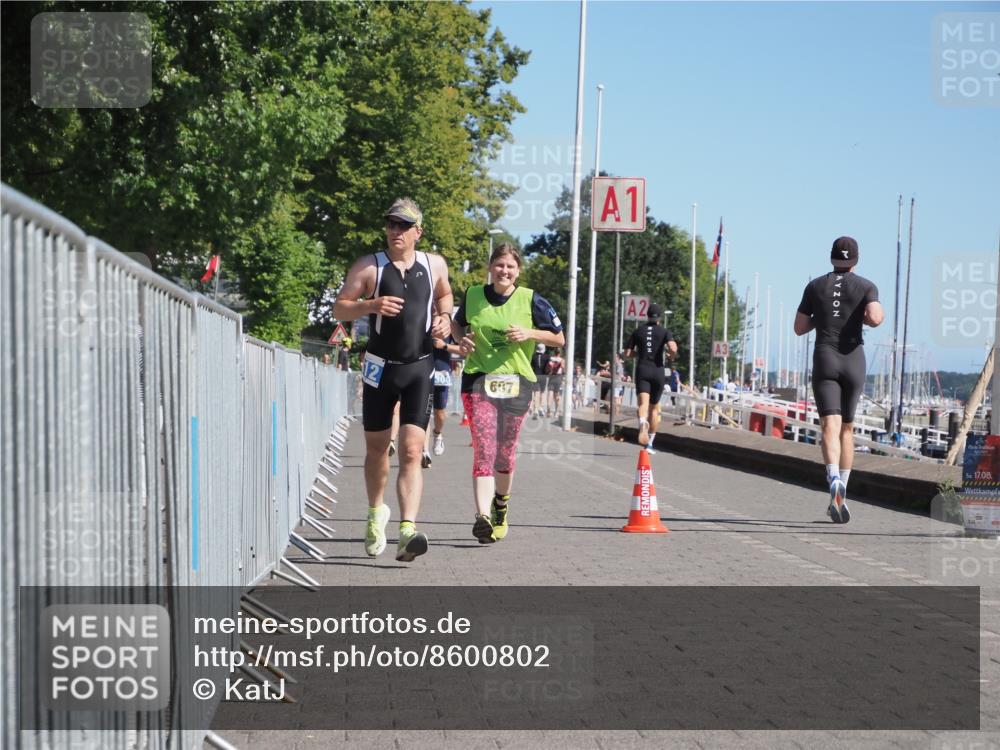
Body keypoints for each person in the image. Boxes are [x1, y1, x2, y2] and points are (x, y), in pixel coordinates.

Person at [332, 197, 453, 562]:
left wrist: (445, 318)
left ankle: (407, 530)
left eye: (403, 226)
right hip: (379, 368)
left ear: (418, 231)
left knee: (412, 451)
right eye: (391, 225)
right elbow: (339, 308)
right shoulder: (370, 266)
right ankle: (374, 514)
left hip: (419, 366)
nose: (395, 231)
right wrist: (370, 305)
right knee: (376, 449)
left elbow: (445, 295)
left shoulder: (434, 265)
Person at [452, 244, 564, 543]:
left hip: (517, 383)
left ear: (518, 271)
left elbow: (559, 338)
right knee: (484, 449)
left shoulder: (531, 300)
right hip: (478, 380)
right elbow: (456, 323)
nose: (504, 271)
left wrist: (530, 333)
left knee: (505, 452)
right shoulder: (474, 295)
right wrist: (461, 341)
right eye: (499, 265)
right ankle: (482, 518)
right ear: (491, 267)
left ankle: (500, 507)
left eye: (510, 266)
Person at [794, 236, 883, 524]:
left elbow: (799, 327)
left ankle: (831, 477)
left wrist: (822, 314)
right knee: (847, 429)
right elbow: (875, 317)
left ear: (831, 257)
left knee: (828, 425)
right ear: (855, 259)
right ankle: (842, 485)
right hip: (853, 358)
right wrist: (863, 316)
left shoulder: (815, 285)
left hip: (824, 357)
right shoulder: (866, 286)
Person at [624, 304, 678, 452]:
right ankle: (650, 444)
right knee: (654, 408)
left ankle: (642, 422)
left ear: (647, 316)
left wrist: (639, 354)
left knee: (643, 404)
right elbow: (673, 348)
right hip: (658, 371)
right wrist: (671, 356)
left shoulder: (638, 331)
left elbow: (627, 354)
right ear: (659, 318)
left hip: (643, 369)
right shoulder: (665, 331)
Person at [422, 335, 461, 468]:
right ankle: (424, 452)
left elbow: (463, 349)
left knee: (439, 413)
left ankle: (438, 434)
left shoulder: (449, 327)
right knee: (423, 413)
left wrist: (444, 346)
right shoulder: (421, 321)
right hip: (421, 373)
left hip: (441, 373)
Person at [529, 343, 550, 418]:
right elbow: (548, 367)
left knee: (535, 393)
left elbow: (531, 366)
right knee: (542, 392)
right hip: (543, 376)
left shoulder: (533, 356)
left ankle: (535, 409)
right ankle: (540, 407)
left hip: (535, 375)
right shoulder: (547, 357)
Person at [545, 347, 565, 417]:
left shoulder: (551, 359)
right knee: (557, 396)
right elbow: (563, 369)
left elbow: (548, 368)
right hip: (558, 378)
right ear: (560, 353)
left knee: (550, 394)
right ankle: (556, 411)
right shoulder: (562, 360)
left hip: (551, 377)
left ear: (554, 352)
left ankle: (548, 410)